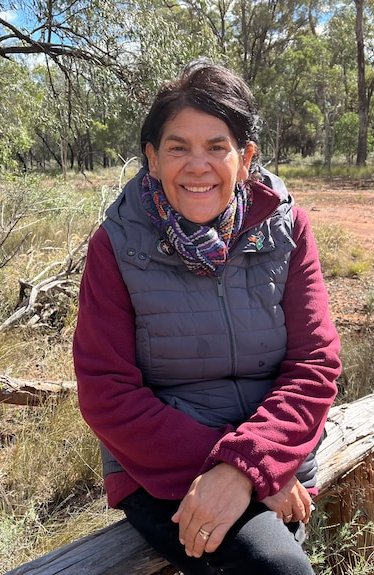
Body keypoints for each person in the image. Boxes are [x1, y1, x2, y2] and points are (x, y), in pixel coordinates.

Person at [73, 60, 341, 575]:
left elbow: (315, 364)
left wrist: (251, 464)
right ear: (152, 159)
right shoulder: (116, 246)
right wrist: (238, 468)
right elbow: (106, 393)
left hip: (276, 446)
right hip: (162, 464)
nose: (198, 165)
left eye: (217, 147)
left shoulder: (287, 231)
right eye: (178, 147)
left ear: (245, 160)